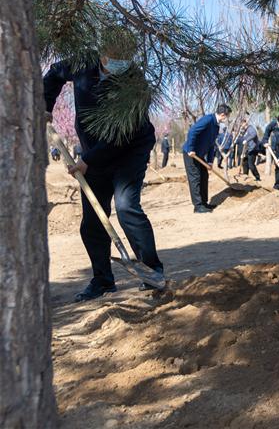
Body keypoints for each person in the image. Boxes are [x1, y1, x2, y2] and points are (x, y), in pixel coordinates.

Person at [44, 45, 165, 301]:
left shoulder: (135, 83)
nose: (119, 63)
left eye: (124, 59)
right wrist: (45, 105)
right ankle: (102, 280)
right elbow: (54, 74)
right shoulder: (83, 62)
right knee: (92, 221)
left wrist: (87, 160)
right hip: (92, 152)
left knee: (126, 206)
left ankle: (152, 272)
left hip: (129, 151)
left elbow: (123, 133)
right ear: (103, 53)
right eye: (114, 57)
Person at [183, 104, 232, 213]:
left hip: (199, 155)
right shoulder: (208, 119)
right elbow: (192, 131)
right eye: (227, 116)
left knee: (204, 176)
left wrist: (210, 161)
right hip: (190, 153)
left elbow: (211, 144)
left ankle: (204, 203)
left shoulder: (216, 126)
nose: (227, 119)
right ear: (223, 115)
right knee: (195, 177)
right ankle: (198, 206)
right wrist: (191, 148)